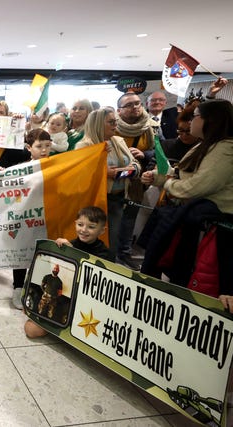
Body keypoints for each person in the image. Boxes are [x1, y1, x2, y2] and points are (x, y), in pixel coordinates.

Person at [140, 99, 233, 308]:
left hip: (216, 231)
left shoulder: (225, 149)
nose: (191, 122)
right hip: (193, 222)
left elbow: (194, 187)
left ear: (210, 120)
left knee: (201, 285)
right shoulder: (206, 145)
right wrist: (158, 177)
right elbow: (181, 174)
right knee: (178, 276)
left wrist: (167, 183)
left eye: (195, 116)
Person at [24, 207, 113, 338]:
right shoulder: (68, 245)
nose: (83, 230)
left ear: (102, 230)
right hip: (63, 299)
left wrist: (74, 254)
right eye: (80, 224)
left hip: (86, 304)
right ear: (75, 223)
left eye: (91, 227)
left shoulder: (105, 255)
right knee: (31, 330)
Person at [76, 107, 140, 259]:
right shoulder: (84, 146)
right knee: (91, 242)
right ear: (98, 124)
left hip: (117, 199)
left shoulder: (118, 141)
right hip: (96, 201)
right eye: (111, 122)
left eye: (115, 121)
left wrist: (127, 171)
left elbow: (135, 164)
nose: (115, 125)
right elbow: (81, 175)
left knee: (112, 242)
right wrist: (109, 172)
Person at [114, 92, 160, 270]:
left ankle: (124, 252)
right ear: (120, 110)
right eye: (130, 105)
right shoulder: (112, 126)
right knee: (111, 216)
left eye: (138, 103)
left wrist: (144, 154)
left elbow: (160, 150)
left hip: (136, 181)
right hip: (113, 180)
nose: (135, 107)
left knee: (129, 218)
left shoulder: (152, 127)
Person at [9, 129, 52, 309]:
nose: (44, 150)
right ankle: (18, 287)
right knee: (21, 251)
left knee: (42, 253)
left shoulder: (56, 165)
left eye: (47, 146)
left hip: (46, 218)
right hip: (25, 218)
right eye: (39, 146)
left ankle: (35, 288)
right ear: (29, 147)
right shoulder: (23, 168)